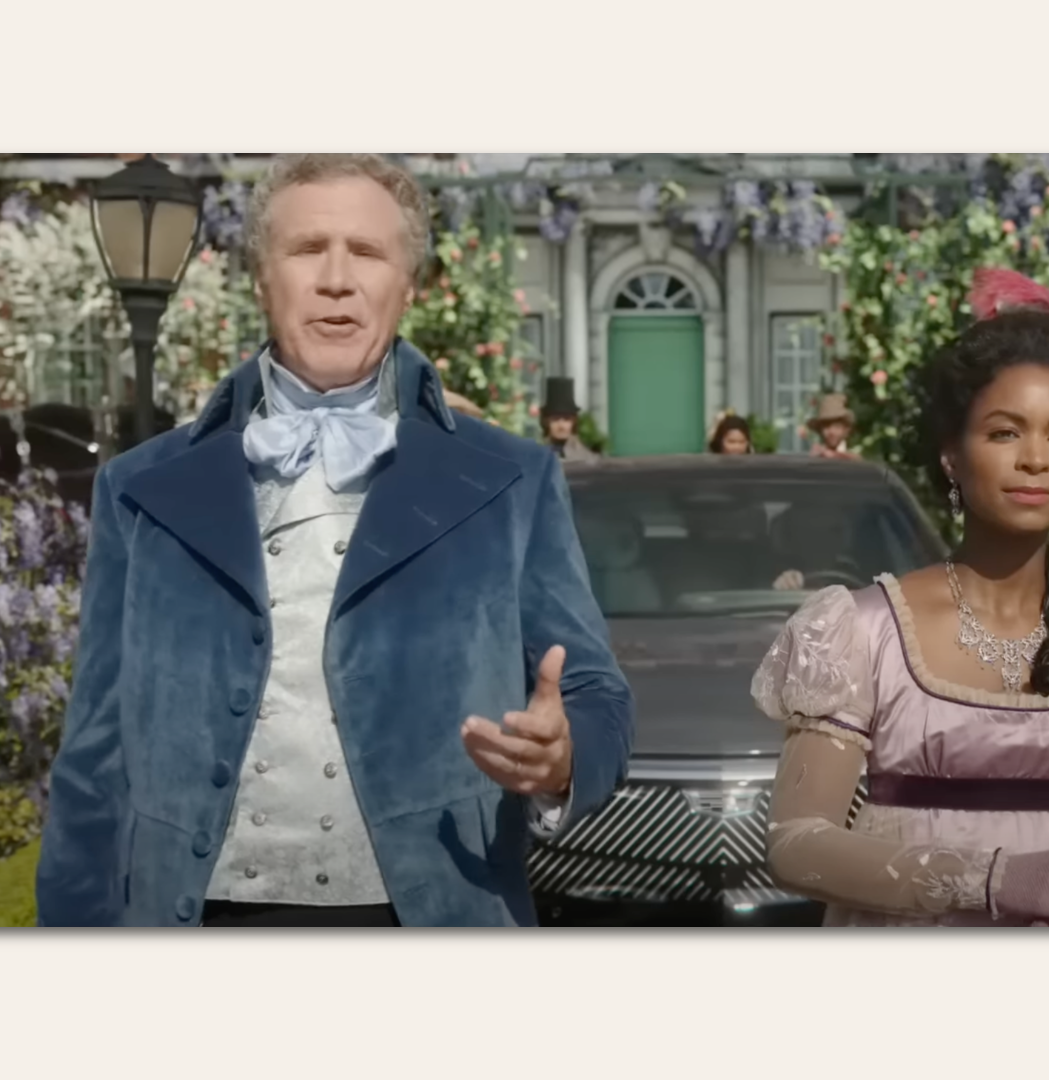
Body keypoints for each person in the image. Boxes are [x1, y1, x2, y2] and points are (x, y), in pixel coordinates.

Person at [35, 154, 634, 927]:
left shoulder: (510, 481)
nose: (337, 279)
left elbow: (598, 698)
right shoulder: (140, 489)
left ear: (406, 285)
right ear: (261, 277)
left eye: (368, 253)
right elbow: (93, 758)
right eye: (308, 248)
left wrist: (565, 757)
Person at [750, 267, 1049, 928]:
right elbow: (798, 844)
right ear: (952, 455)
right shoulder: (862, 630)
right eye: (1006, 432)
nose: (1035, 458)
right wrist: (999, 879)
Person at [539, 377, 600, 462]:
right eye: (555, 419)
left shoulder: (587, 458)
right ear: (546, 422)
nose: (561, 425)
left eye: (567, 419)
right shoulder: (536, 455)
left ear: (574, 422)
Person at [805, 394, 861, 459]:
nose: (831, 432)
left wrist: (834, 455)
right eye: (826, 426)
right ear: (820, 430)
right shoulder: (817, 456)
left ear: (846, 430)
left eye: (837, 426)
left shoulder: (856, 455)